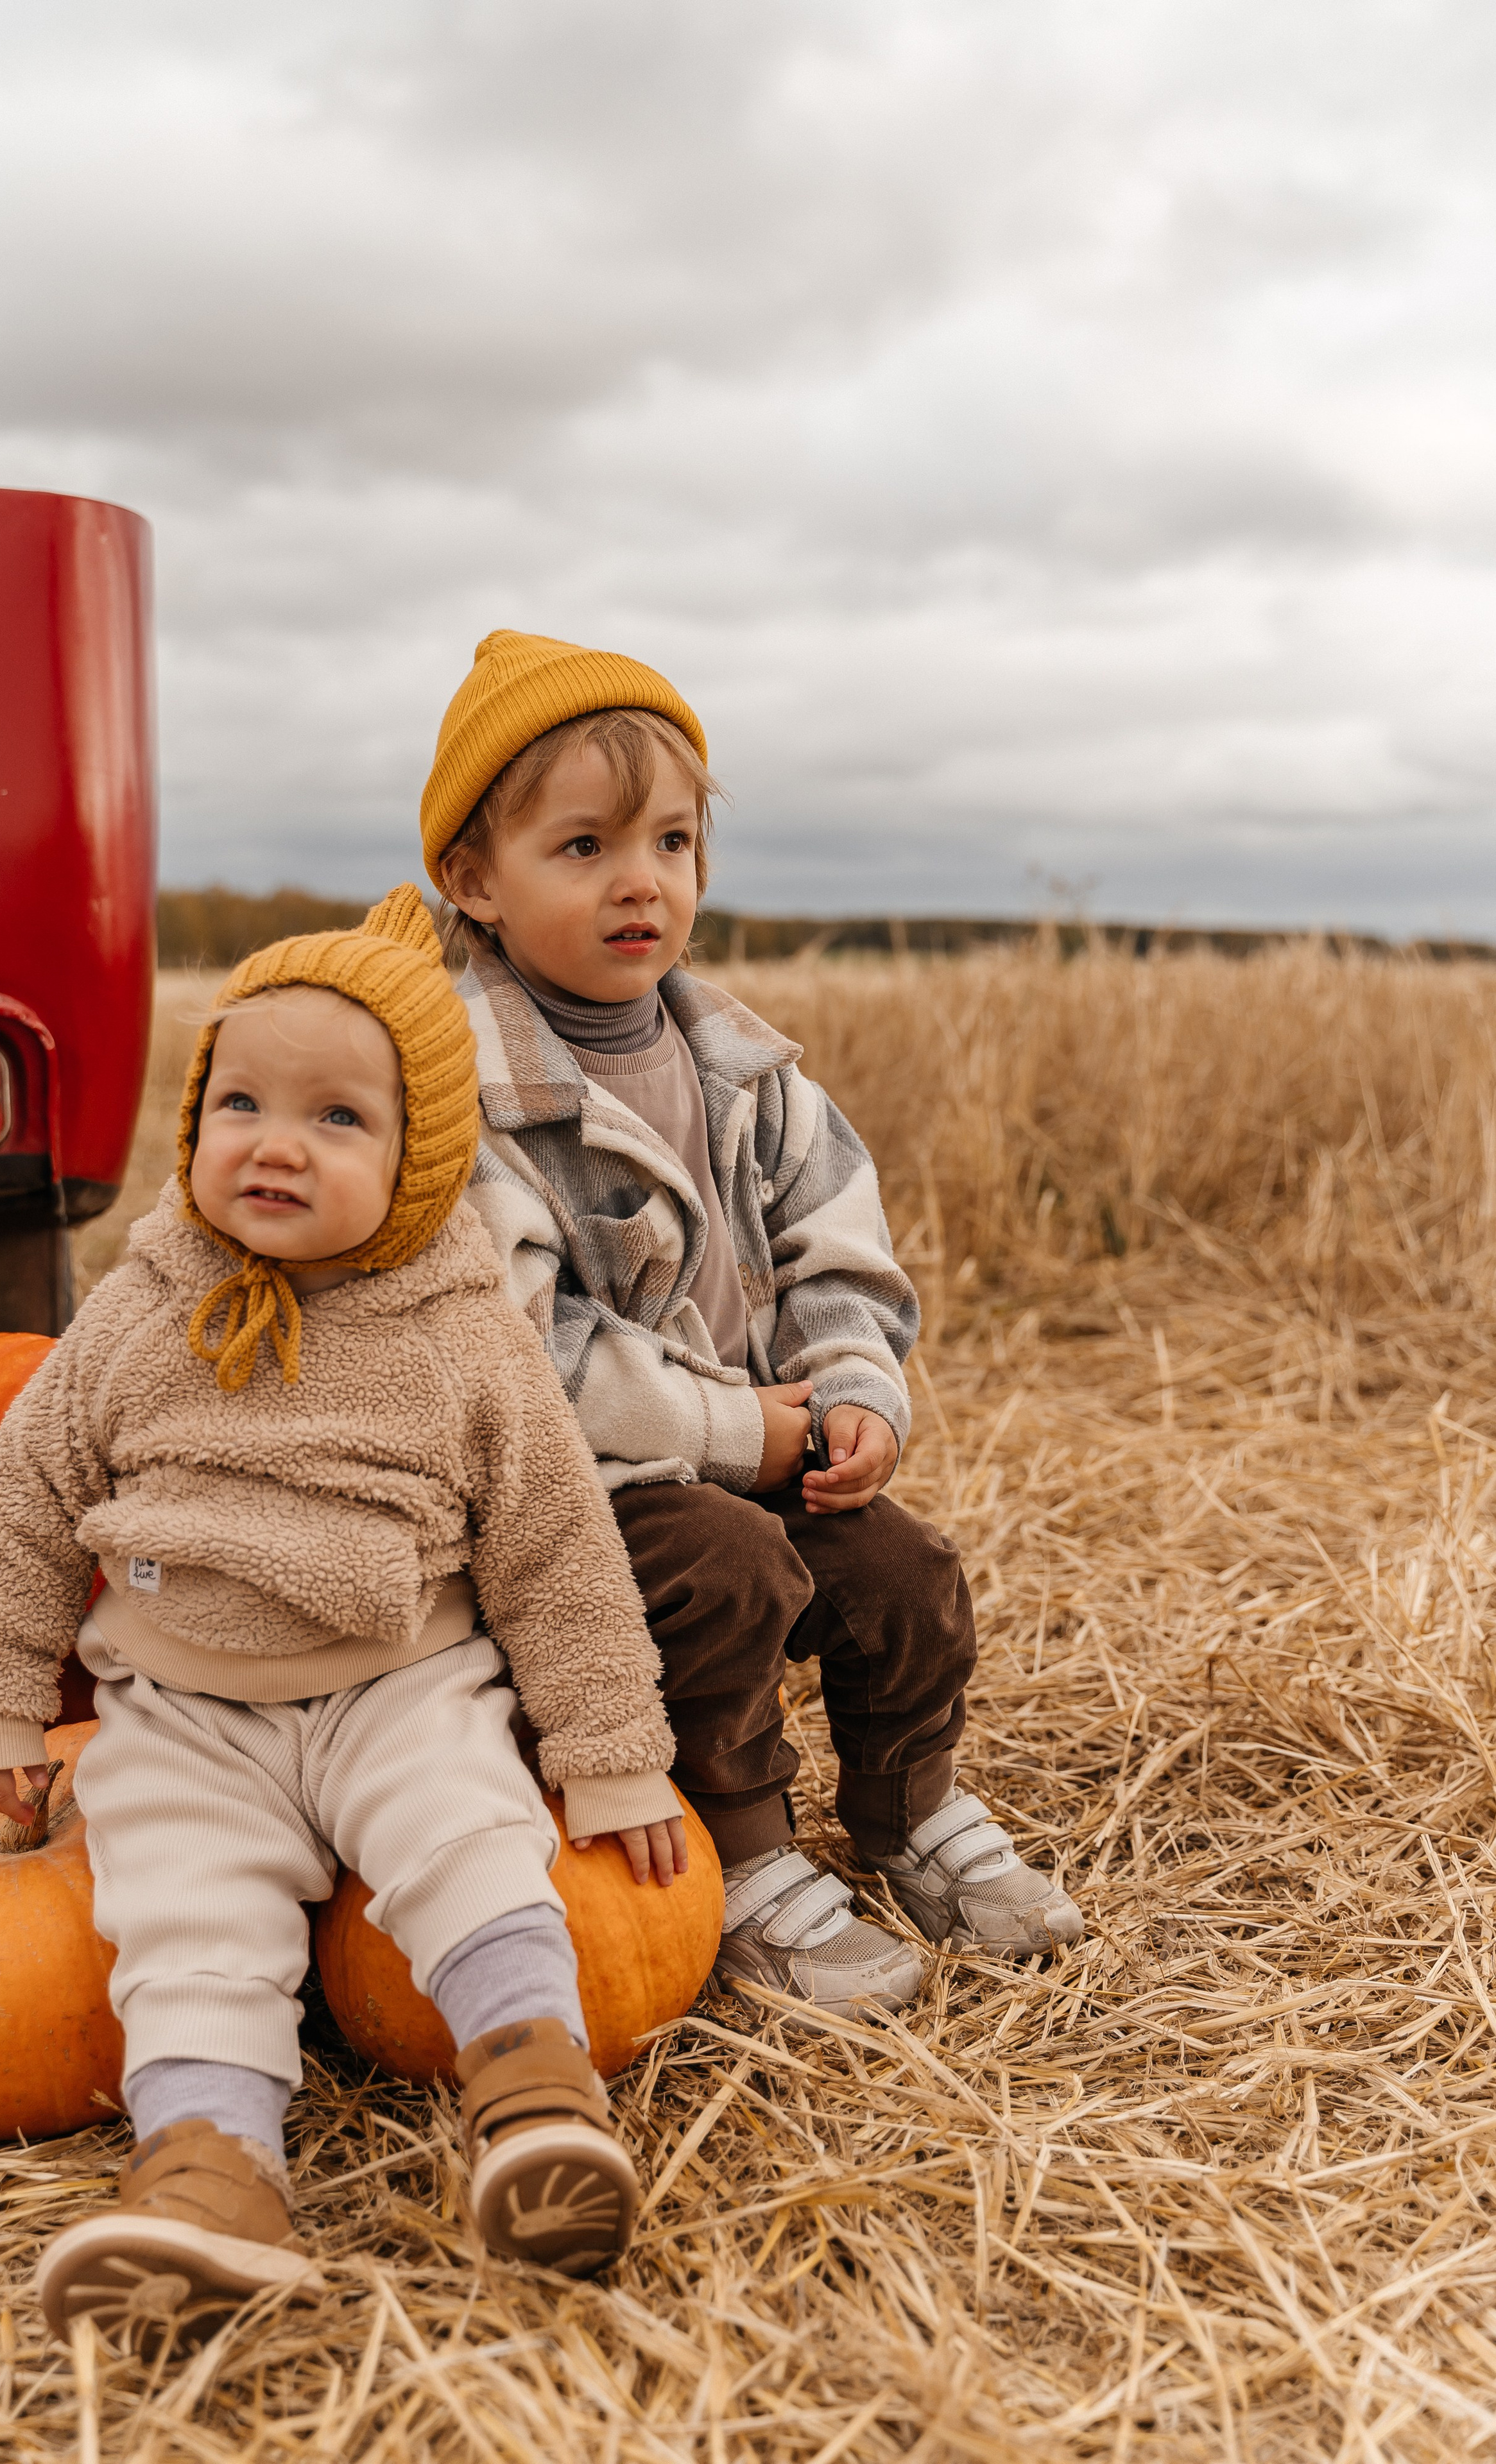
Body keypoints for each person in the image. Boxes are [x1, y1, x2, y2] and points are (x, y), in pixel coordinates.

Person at [0, 887, 685, 2345]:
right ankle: (215, 2180)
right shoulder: (140, 1312)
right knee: (179, 1914)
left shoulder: (461, 1334)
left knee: (470, 1835)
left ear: (418, 1167)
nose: (275, 1144)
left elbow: (555, 1552)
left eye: (338, 1121)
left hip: (397, 1682)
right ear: (195, 1116)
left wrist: (609, 1745)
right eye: (242, 1104)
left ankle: (533, 2092)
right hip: (181, 1710)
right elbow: (22, 1505)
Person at [423, 631, 1086, 2021]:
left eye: (670, 840)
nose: (639, 880)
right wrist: (735, 1429)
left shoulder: (744, 1070)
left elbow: (834, 1248)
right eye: (584, 846)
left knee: (902, 1574)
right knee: (724, 1576)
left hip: (756, 1444)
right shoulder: (472, 1098)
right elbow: (516, 1348)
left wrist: (849, 1389)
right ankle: (740, 1858)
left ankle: (903, 1812)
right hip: (569, 1496)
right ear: (473, 882)